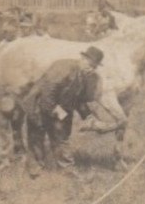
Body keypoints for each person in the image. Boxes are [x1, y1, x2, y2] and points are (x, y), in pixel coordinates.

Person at [21, 46, 108, 177]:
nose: (91, 69)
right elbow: (48, 92)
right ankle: (35, 172)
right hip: (38, 104)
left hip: (58, 106)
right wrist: (58, 114)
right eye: (90, 65)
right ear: (83, 58)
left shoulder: (84, 76)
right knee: (37, 137)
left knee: (62, 137)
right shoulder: (64, 67)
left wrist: (89, 116)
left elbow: (78, 100)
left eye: (94, 67)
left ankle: (66, 169)